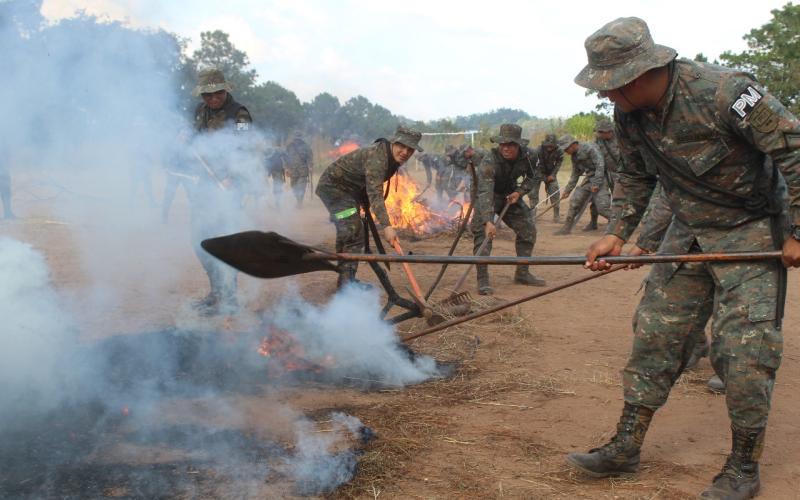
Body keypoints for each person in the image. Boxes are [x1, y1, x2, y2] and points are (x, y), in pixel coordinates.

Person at [569, 17, 800, 499]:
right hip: (688, 234)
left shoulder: (728, 93)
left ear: (638, 75)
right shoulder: (629, 116)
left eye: (610, 84)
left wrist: (798, 231)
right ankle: (625, 446)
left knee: (745, 352)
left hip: (751, 232)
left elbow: (795, 152)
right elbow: (635, 175)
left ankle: (742, 467)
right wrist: (617, 232)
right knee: (656, 334)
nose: (605, 94)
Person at [315, 126, 423, 288]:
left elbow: (365, 182)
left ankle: (345, 280)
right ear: (394, 142)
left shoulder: (390, 157)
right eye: (402, 146)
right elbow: (375, 193)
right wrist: (387, 226)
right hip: (334, 190)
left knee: (347, 233)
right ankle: (347, 285)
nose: (405, 152)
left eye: (410, 149)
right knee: (353, 232)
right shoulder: (378, 158)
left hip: (348, 192)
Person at [190, 68, 253, 316]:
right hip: (205, 183)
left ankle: (229, 298)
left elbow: (245, 148)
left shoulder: (239, 114)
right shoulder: (200, 111)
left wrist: (232, 177)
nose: (212, 99)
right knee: (199, 239)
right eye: (207, 95)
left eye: (217, 93)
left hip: (230, 186)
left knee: (224, 239)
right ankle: (216, 292)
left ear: (225, 90)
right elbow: (195, 139)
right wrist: (185, 138)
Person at [472, 124, 546, 295]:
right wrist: (488, 221)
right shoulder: (489, 161)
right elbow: (485, 192)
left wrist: (519, 192)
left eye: (511, 144)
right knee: (483, 236)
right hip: (488, 196)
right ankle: (482, 280)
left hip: (510, 194)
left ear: (519, 145)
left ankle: (522, 273)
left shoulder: (529, 156)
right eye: (503, 144)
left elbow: (535, 176)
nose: (506, 148)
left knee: (528, 230)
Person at [554, 134, 610, 235]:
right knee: (575, 201)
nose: (565, 152)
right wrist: (568, 190)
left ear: (572, 145)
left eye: (566, 149)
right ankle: (567, 227)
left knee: (602, 208)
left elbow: (600, 166)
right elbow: (575, 174)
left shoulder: (590, 148)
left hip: (601, 178)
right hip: (589, 179)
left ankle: (616, 225)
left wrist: (596, 184)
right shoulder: (574, 156)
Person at [583, 119, 621, 231]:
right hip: (603, 172)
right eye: (598, 132)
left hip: (620, 173)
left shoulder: (621, 138)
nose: (598, 134)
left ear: (609, 131)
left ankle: (617, 223)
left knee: (618, 199)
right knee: (597, 197)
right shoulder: (598, 140)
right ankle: (593, 222)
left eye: (600, 132)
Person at [528, 133, 563, 221]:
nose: (549, 147)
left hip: (551, 173)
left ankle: (556, 216)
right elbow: (534, 166)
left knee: (555, 191)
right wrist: (543, 177)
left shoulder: (559, 151)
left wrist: (553, 175)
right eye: (548, 145)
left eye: (552, 146)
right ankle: (532, 215)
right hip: (537, 173)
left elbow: (558, 164)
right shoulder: (538, 150)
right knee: (532, 193)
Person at [285, 131, 313, 208]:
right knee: (294, 187)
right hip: (293, 170)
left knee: (301, 187)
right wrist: (286, 168)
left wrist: (310, 166)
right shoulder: (289, 146)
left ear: (301, 138)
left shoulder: (306, 146)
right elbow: (286, 158)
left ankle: (300, 202)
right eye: (296, 138)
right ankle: (298, 199)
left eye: (298, 138)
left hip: (303, 170)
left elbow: (310, 157)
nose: (297, 140)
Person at [0, 153, 15, 220]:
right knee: (6, 193)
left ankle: (8, 213)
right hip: (3, 173)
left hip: (4, 173)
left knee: (6, 194)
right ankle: (8, 213)